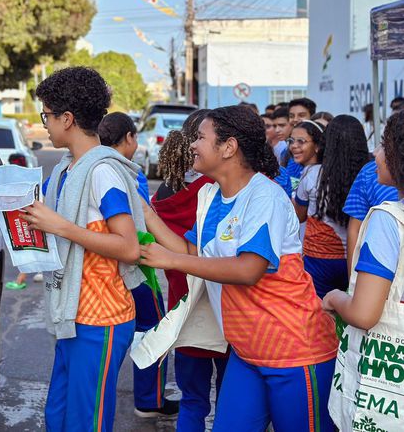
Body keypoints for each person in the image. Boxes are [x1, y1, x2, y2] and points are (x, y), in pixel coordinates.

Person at [0, 67, 143, 432]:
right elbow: (21, 219)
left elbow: (129, 246)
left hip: (102, 320)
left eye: (47, 116)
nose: (44, 125)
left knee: (86, 422)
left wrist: (63, 227)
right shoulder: (66, 169)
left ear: (67, 119)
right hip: (72, 316)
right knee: (58, 417)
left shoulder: (102, 172)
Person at [139, 105, 337, 431]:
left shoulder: (265, 195)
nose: (192, 144)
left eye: (201, 137)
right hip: (248, 353)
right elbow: (193, 251)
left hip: (295, 352)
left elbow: (249, 269)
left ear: (229, 147)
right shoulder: (209, 194)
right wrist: (147, 215)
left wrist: (170, 260)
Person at [322, 111, 404, 430]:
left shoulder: (388, 221)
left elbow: (365, 313)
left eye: (384, 145)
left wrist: (334, 298)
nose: (376, 154)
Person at [98, 112, 179, 419]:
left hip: (97, 271)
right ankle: (149, 399)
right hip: (135, 267)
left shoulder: (82, 168)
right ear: (130, 138)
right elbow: (143, 223)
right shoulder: (131, 174)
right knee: (153, 327)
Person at [153, 109, 229, 431]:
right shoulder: (219, 192)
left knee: (192, 399)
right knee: (230, 398)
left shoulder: (163, 195)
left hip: (182, 306)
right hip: (223, 305)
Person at [294, 116, 368, 298]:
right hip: (360, 259)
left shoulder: (312, 175)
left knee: (318, 314)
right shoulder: (369, 174)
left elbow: (299, 216)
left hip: (318, 260)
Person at [288, 119, 325, 242]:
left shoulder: (313, 174)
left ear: (317, 146)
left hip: (315, 244)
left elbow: (299, 216)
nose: (294, 146)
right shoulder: (303, 170)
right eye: (291, 141)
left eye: (301, 141)